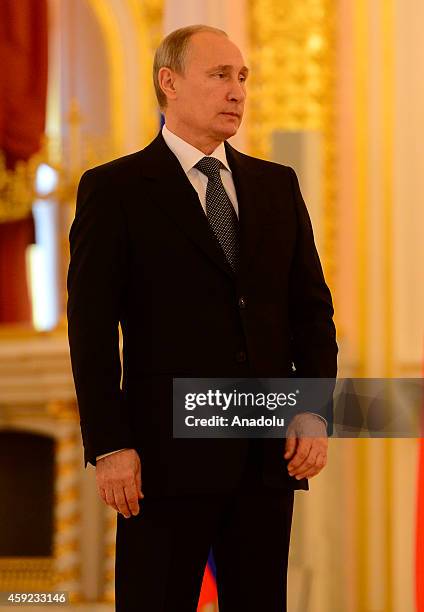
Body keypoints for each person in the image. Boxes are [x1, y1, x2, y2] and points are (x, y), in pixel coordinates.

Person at [67, 24, 337, 612]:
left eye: (242, 77)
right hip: (163, 463)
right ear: (169, 83)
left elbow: (312, 313)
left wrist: (313, 411)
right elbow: (90, 332)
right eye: (220, 75)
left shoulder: (276, 185)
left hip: (265, 456)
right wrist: (110, 445)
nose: (237, 90)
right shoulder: (114, 189)